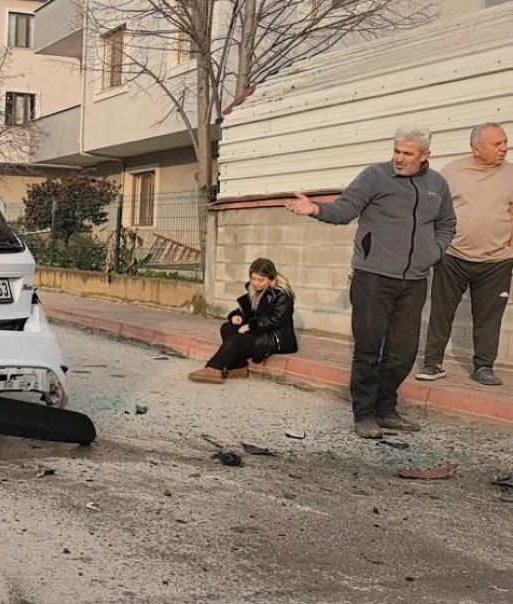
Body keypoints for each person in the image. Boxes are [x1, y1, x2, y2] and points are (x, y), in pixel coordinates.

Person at [286, 125, 456, 439]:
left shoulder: (437, 184)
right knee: (368, 349)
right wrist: (316, 209)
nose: (399, 159)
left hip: (415, 280)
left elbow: (447, 223)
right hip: (373, 277)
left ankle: (386, 409)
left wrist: (435, 250)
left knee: (402, 352)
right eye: (396, 151)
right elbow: (345, 208)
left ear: (424, 156)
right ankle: (363, 413)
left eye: (407, 153)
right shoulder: (375, 176)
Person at [416, 123, 513, 386]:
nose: (504, 148)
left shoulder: (511, 173)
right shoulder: (451, 172)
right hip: (453, 257)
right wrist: (436, 247)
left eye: (505, 142)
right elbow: (432, 212)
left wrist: (509, 249)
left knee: (488, 319)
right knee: (440, 313)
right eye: (497, 144)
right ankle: (432, 363)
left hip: (497, 262)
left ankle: (484, 367)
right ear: (476, 148)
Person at [188, 258, 298, 384]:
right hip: (259, 331)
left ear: (271, 279)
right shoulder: (254, 290)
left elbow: (275, 319)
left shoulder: (282, 295)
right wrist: (237, 316)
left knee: (236, 340)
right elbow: (246, 311)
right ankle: (239, 366)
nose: (256, 283)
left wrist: (250, 326)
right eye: (253, 279)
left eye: (261, 280)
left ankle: (214, 368)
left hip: (274, 338)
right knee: (227, 328)